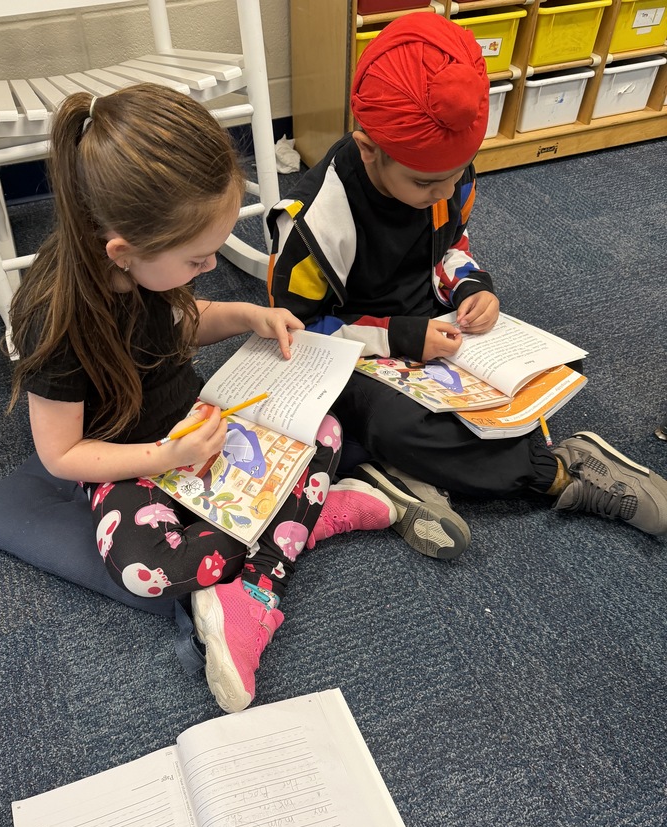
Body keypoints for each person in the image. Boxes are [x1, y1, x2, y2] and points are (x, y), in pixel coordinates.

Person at [6, 84, 397, 715]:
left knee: (322, 429)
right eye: (197, 258)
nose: (212, 264)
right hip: (129, 460)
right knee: (142, 570)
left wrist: (247, 315)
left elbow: (183, 319)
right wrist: (163, 456)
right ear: (122, 253)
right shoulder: (56, 320)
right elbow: (61, 454)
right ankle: (287, 546)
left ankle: (266, 559)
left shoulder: (151, 266)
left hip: (201, 424)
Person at [267, 12, 667, 549]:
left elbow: (451, 246)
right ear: (368, 151)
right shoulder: (315, 219)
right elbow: (296, 330)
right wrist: (399, 338)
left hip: (436, 327)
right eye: (428, 181)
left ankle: (397, 478)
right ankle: (559, 473)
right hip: (355, 344)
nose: (447, 190)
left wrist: (472, 286)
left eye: (460, 172)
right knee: (389, 422)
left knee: (516, 384)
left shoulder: (446, 174)